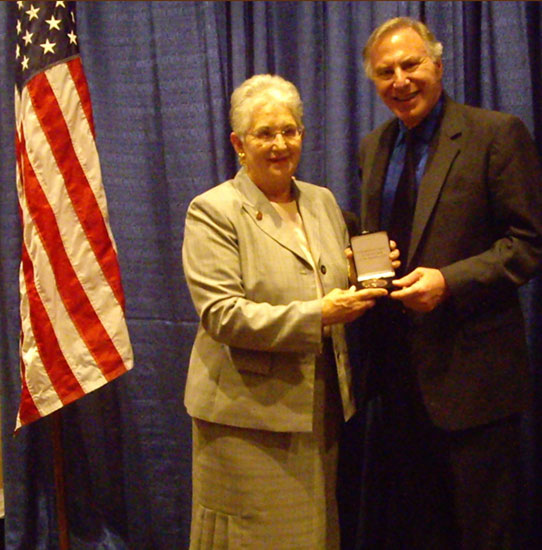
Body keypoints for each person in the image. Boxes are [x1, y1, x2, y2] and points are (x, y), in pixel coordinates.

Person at [182, 74, 398, 550]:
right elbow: (223, 315)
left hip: (318, 406)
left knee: (314, 535)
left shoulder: (321, 202)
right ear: (239, 143)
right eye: (265, 133)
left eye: (290, 131)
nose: (280, 144)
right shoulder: (213, 210)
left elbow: (330, 279)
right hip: (245, 419)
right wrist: (319, 313)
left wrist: (366, 274)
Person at [354, 16, 542, 550]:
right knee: (420, 528)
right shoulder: (374, 147)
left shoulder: (494, 134)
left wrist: (449, 282)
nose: (400, 80)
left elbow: (528, 243)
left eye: (411, 64)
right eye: (385, 72)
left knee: (485, 531)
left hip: (473, 381)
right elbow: (379, 241)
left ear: (437, 64)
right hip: (396, 377)